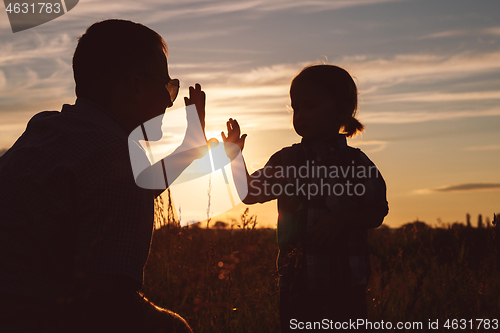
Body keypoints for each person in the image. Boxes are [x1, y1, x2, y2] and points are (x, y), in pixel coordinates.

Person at [0, 19, 211, 333]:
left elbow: (114, 188)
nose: (170, 100)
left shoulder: (45, 131)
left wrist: (189, 149)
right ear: (136, 85)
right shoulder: (119, 157)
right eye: (168, 87)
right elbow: (108, 306)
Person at [222, 64, 389, 332]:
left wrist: (343, 219)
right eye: (295, 108)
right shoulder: (287, 161)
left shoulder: (357, 164)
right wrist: (235, 157)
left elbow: (377, 210)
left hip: (345, 289)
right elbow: (250, 193)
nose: (300, 115)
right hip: (297, 286)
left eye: (309, 107)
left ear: (342, 111)